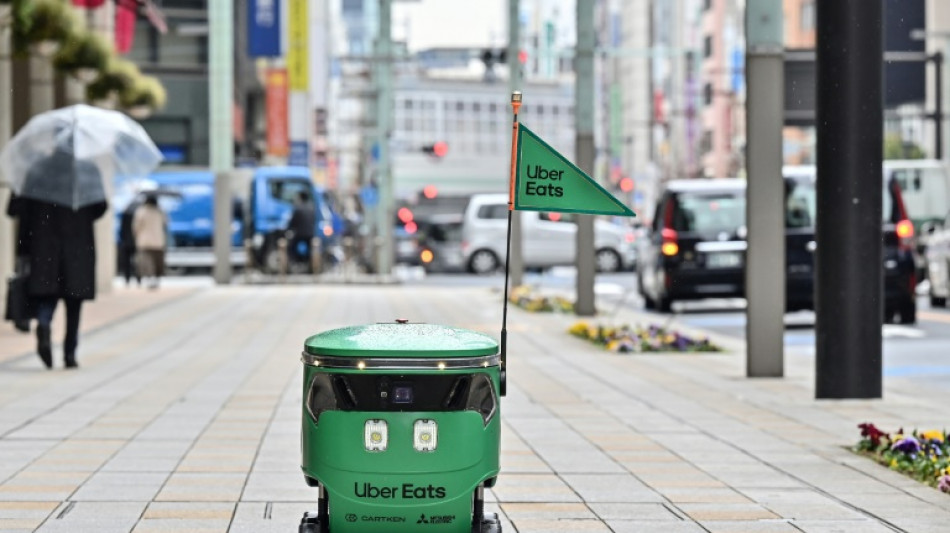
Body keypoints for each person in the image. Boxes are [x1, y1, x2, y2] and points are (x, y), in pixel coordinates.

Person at [5, 195, 107, 369]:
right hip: (77, 245)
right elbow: (100, 207)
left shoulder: (38, 174)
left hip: (45, 245)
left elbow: (15, 210)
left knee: (48, 296)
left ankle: (44, 325)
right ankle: (70, 354)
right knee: (74, 304)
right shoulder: (83, 176)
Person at [132, 194, 168, 290]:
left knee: (147, 261)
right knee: (157, 261)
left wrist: (137, 235)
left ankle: (149, 278)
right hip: (158, 240)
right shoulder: (160, 211)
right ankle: (156, 279)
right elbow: (166, 223)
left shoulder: (141, 211)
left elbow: (136, 227)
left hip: (144, 241)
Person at [286, 190, 316, 266]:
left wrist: (288, 229)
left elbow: (292, 222)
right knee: (311, 249)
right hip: (311, 233)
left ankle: (294, 261)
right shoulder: (312, 208)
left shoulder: (298, 208)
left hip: (300, 233)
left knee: (291, 246)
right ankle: (309, 262)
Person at [118, 200, 141, 286]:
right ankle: (138, 278)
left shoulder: (125, 215)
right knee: (137, 261)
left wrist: (122, 239)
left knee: (126, 262)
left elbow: (122, 229)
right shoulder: (137, 215)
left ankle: (127, 279)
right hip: (136, 241)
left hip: (126, 241)